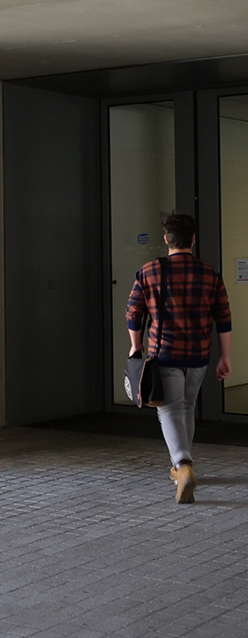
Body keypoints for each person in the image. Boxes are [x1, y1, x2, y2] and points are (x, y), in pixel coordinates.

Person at [126, 212, 231, 504]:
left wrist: (135, 347)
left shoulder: (149, 271)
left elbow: (133, 312)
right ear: (193, 240)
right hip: (199, 354)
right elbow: (223, 317)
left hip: (165, 353)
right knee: (187, 407)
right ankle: (181, 464)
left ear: (166, 240)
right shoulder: (210, 273)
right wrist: (226, 356)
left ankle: (182, 466)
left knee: (168, 410)